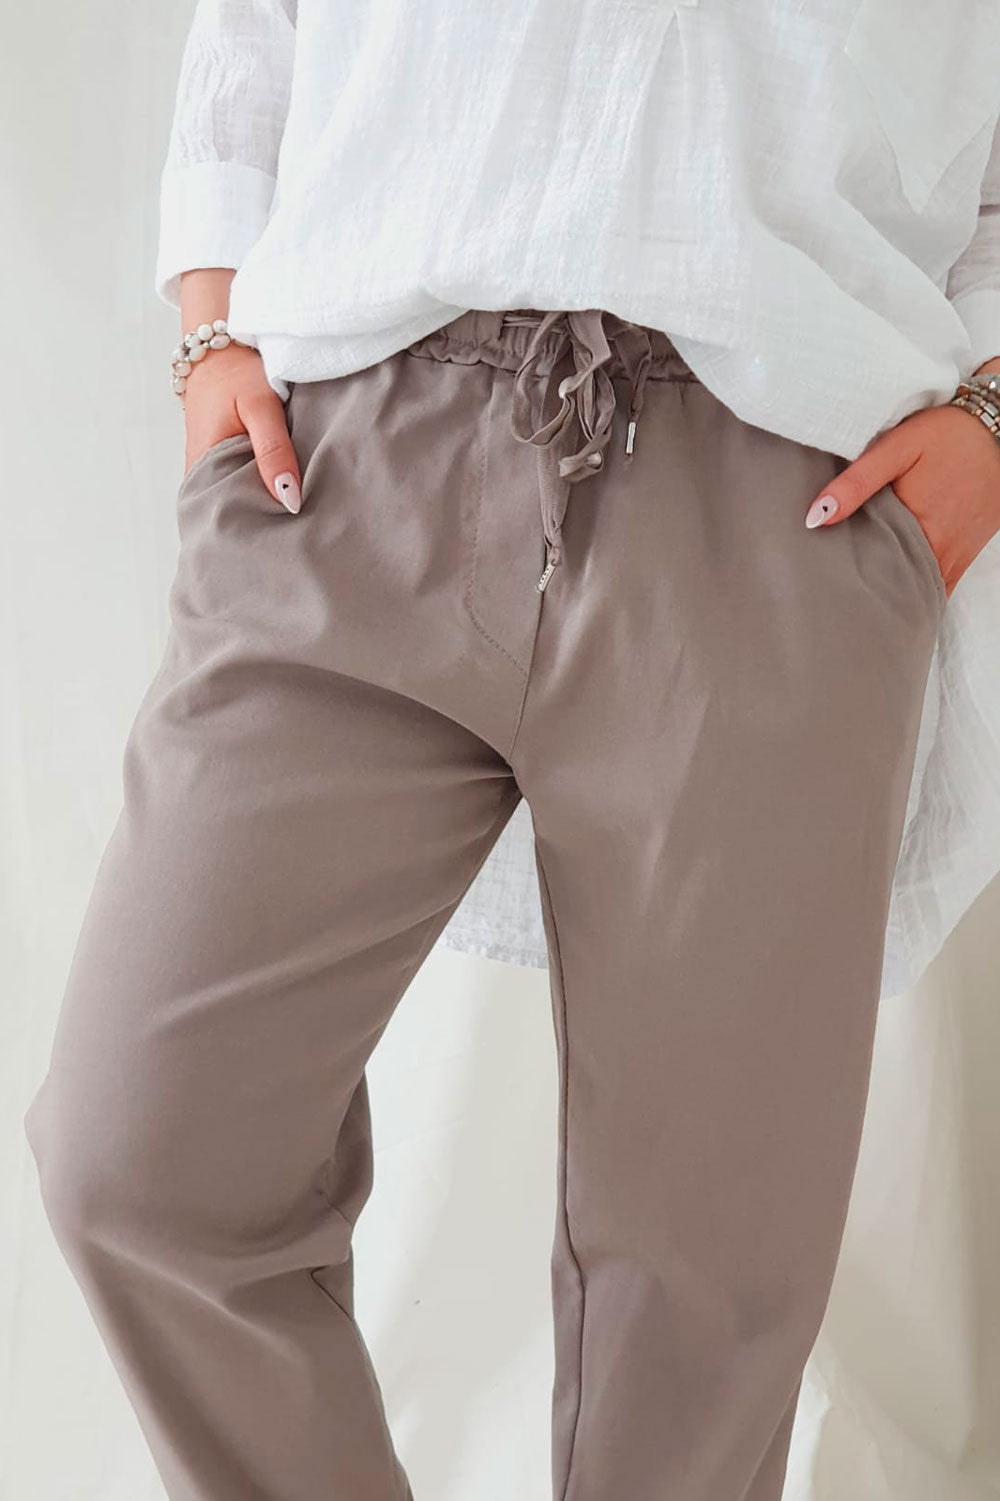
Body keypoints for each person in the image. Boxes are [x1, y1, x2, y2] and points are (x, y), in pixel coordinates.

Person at [23, 3, 1000, 1498]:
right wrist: (212, 326)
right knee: (141, 1155)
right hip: (344, 462)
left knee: (704, 1291)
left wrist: (989, 414)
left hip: (781, 489)